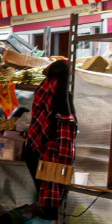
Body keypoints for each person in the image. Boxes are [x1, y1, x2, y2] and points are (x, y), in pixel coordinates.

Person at [23, 58, 77, 214]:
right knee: (53, 182)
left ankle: (47, 210)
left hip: (38, 145)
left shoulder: (44, 88)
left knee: (48, 182)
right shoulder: (57, 88)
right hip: (51, 144)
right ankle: (49, 212)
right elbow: (63, 109)